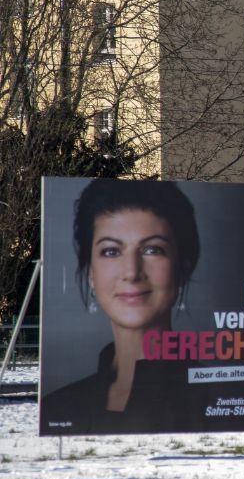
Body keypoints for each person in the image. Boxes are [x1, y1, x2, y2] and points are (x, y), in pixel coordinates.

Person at [40, 179, 201, 434]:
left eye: (152, 249)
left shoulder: (221, 404)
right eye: (111, 251)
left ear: (183, 267)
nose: (132, 272)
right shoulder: (57, 408)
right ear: (90, 273)